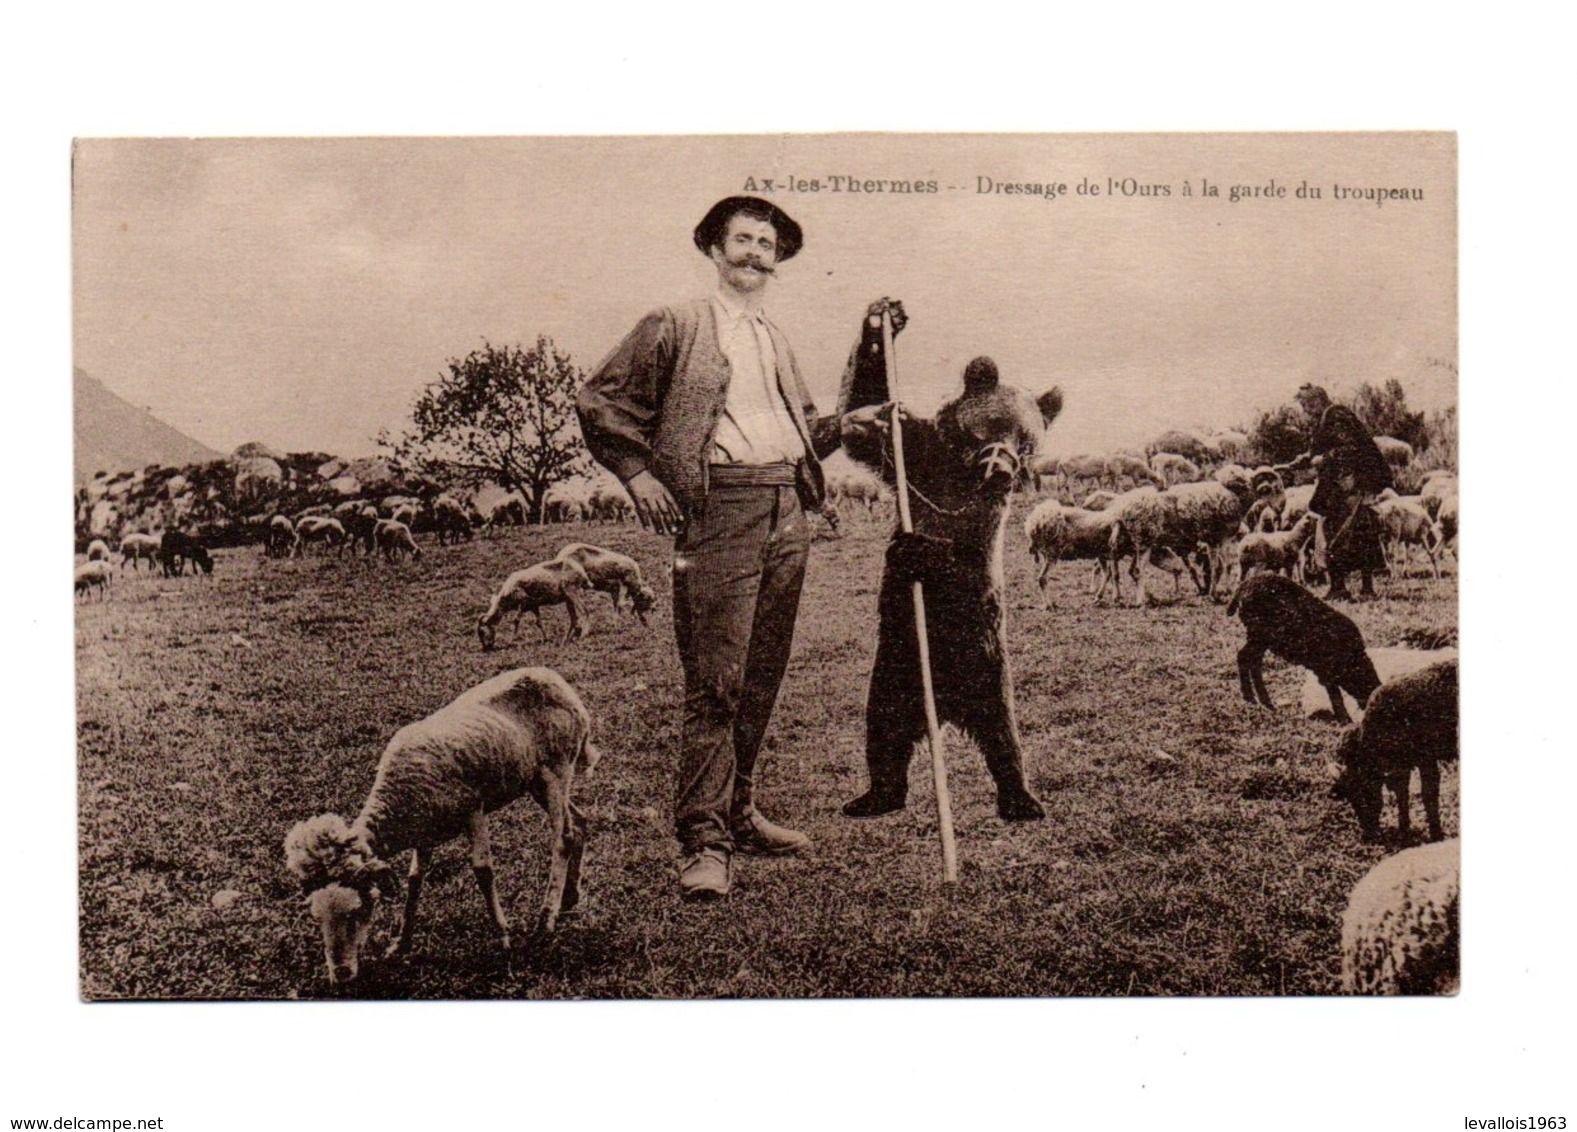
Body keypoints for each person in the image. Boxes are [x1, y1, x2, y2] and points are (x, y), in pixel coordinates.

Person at [576, 196, 846, 901]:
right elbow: (600, 401)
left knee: (761, 673)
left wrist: (869, 372)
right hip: (719, 509)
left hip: (786, 508)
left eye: (768, 243)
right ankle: (702, 842)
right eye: (743, 240)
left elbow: (811, 428)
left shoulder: (774, 337)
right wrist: (636, 475)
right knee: (716, 683)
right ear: (713, 249)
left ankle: (739, 812)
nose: (756, 253)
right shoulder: (677, 324)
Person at [1284, 402, 1393, 600]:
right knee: (1335, 536)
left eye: (1306, 405)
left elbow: (1350, 450)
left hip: (1353, 491)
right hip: (1336, 491)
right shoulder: (1326, 424)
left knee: (1356, 537)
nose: (1305, 411)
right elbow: (1320, 451)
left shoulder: (1339, 422)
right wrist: (1304, 460)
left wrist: (1324, 459)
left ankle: (1363, 588)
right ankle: (1340, 587)